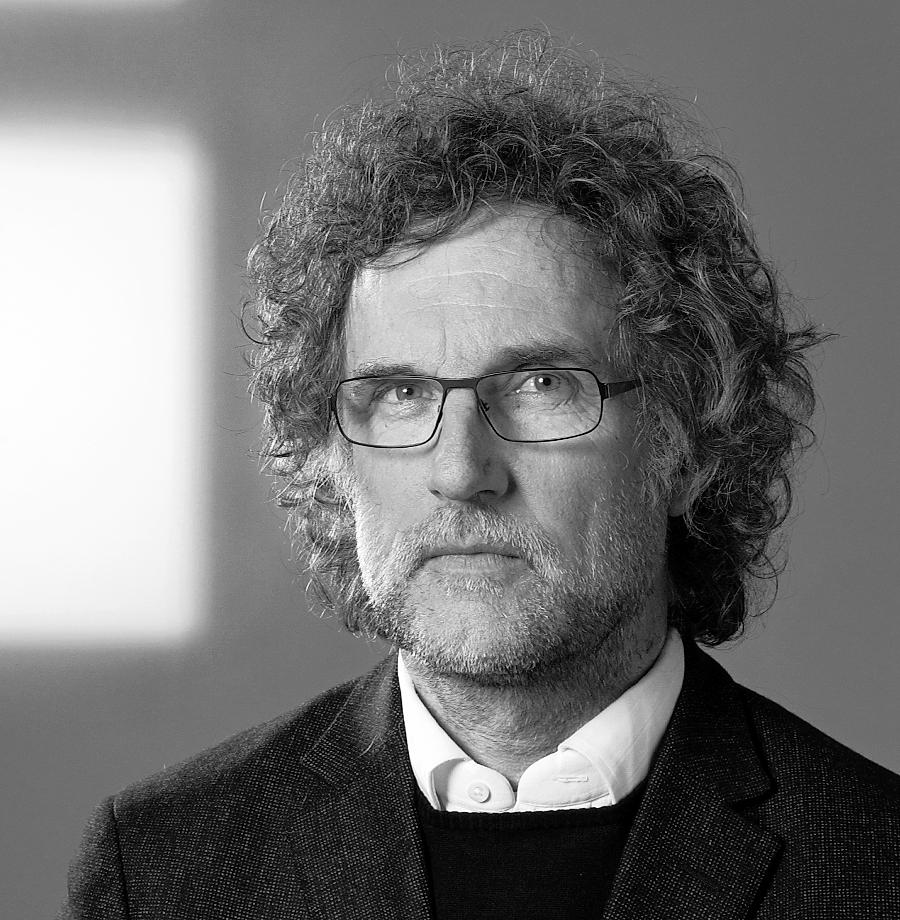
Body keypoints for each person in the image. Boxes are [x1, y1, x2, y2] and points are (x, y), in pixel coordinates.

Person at [63, 31, 899, 919]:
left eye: (542, 386)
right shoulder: (158, 873)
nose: (462, 471)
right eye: (399, 393)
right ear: (330, 457)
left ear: (686, 442)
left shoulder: (875, 867)